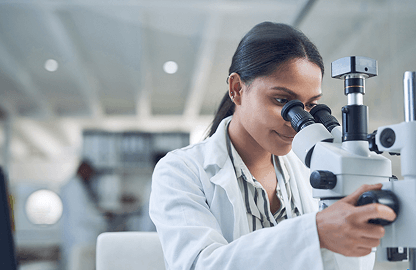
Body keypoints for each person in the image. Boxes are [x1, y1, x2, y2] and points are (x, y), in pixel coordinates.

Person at [149, 21, 396, 270]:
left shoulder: (308, 168)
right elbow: (198, 265)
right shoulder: (179, 171)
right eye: (282, 100)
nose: (295, 121)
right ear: (237, 89)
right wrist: (314, 233)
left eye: (309, 106)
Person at [60, 160, 108, 270]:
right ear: (82, 170)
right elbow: (81, 214)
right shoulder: (74, 187)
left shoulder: (78, 186)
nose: (90, 176)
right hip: (80, 237)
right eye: (89, 173)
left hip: (81, 237)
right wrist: (102, 219)